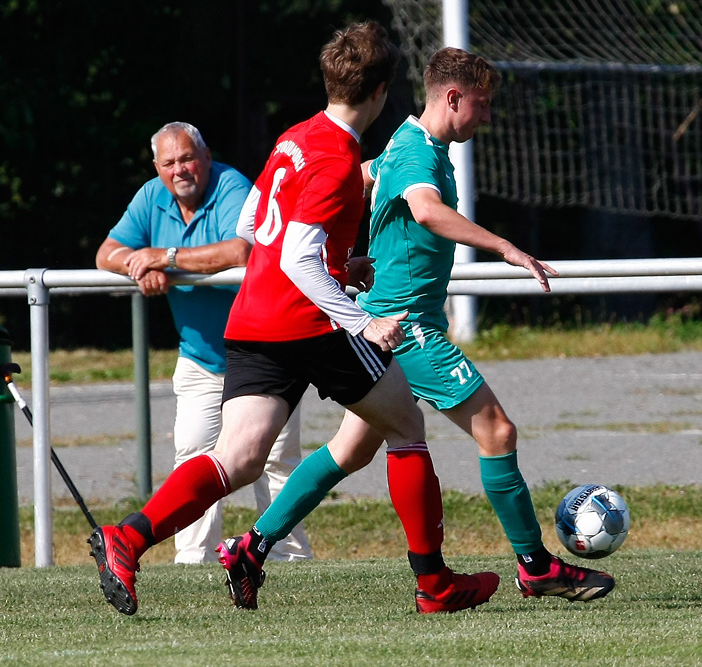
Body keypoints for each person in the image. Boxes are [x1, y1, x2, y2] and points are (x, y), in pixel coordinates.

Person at [88, 21, 497, 616]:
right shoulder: (338, 156)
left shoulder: (295, 137)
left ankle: (129, 536)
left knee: (238, 457)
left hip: (253, 318)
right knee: (407, 426)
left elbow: (256, 226)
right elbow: (301, 254)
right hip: (308, 323)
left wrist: (340, 260)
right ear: (382, 92)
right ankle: (434, 584)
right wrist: (359, 321)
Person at [221, 47, 615, 607]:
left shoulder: (403, 148)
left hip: (383, 320)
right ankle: (535, 567)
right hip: (408, 330)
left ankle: (252, 547)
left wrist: (344, 250)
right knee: (497, 432)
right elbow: (426, 210)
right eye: (481, 105)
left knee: (349, 451)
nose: (486, 117)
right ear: (452, 97)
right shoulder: (417, 155)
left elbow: (356, 181)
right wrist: (504, 246)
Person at [94, 122, 312, 565]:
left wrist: (165, 258)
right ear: (157, 168)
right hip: (200, 358)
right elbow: (106, 253)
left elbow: (242, 251)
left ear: (207, 156)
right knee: (193, 454)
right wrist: (139, 266)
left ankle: (290, 559)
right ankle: (193, 562)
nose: (180, 170)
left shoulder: (233, 186)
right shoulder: (150, 198)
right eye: (169, 163)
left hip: (267, 351)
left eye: (188, 158)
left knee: (275, 461)